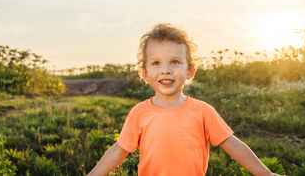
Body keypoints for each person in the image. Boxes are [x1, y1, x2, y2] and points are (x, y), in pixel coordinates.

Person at [88, 23, 284, 176]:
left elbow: (233, 144)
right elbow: (118, 150)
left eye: (175, 62)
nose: (166, 69)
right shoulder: (139, 113)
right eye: (156, 63)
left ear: (190, 70)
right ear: (145, 73)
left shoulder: (203, 111)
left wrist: (264, 173)